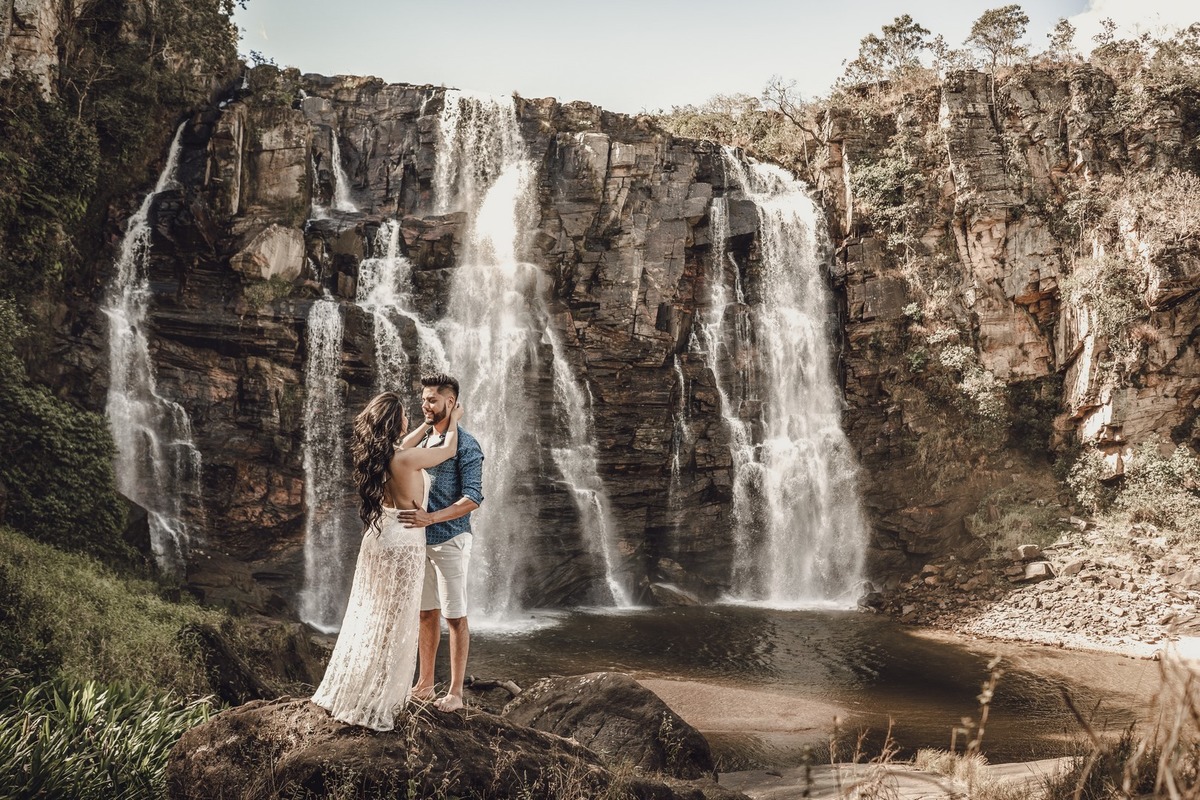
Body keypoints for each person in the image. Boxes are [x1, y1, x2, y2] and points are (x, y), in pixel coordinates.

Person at [311, 391, 464, 730]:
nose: (412, 418)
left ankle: (356, 690)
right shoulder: (407, 460)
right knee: (397, 620)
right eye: (405, 416)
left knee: (372, 613)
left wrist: (426, 426)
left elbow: (406, 443)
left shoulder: (380, 455)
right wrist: (452, 417)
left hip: (379, 539)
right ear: (395, 422)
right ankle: (381, 698)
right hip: (405, 542)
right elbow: (449, 450)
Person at [398, 373, 484, 713]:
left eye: (432, 399)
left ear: (451, 402)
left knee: (455, 616)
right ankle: (425, 682)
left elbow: (474, 497)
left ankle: (456, 692)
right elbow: (400, 451)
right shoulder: (427, 443)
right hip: (420, 541)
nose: (425, 404)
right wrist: (426, 421)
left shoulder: (466, 444)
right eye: (423, 399)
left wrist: (431, 518)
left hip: (451, 540)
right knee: (425, 613)